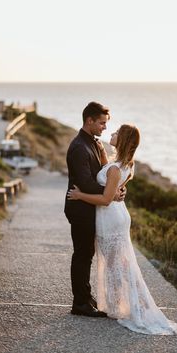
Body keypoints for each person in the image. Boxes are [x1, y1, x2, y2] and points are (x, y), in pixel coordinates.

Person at [67, 124, 177, 335]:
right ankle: (124, 304)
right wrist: (103, 152)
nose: (111, 133)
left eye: (117, 133)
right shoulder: (124, 164)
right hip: (117, 214)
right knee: (119, 263)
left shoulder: (114, 168)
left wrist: (80, 195)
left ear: (123, 140)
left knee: (116, 264)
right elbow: (113, 187)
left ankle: (130, 306)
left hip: (110, 217)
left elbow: (104, 199)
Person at [64, 102, 125, 318]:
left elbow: (104, 175)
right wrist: (111, 194)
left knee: (87, 254)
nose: (104, 128)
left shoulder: (95, 144)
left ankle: (86, 297)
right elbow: (86, 183)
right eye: (101, 123)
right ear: (89, 120)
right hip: (79, 207)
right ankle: (79, 303)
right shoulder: (79, 147)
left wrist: (117, 189)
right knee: (82, 254)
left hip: (91, 206)